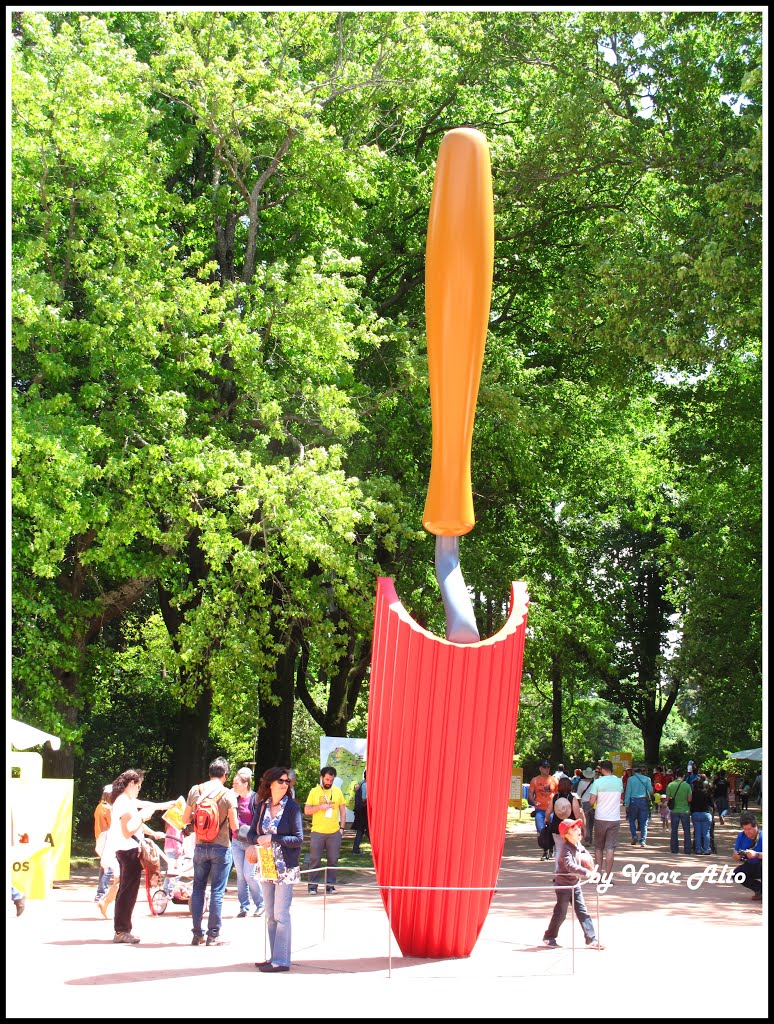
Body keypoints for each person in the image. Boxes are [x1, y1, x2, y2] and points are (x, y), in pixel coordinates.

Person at [248, 767, 304, 972]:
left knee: (281, 913)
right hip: (266, 865)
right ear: (270, 783)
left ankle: (281, 961)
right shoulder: (262, 806)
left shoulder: (292, 808)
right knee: (270, 914)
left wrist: (274, 838)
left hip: (285, 867)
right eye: (280, 780)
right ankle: (274, 956)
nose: (284, 784)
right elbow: (251, 835)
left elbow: (298, 839)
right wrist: (258, 840)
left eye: (286, 781)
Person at [183, 756, 238, 946]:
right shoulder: (227, 794)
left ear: (209, 773)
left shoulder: (195, 790)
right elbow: (235, 824)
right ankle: (213, 935)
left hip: (200, 846)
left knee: (198, 889)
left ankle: (197, 933)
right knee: (217, 891)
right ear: (225, 775)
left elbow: (184, 819)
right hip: (221, 847)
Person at [106, 769, 165, 944]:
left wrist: (165, 805)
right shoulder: (124, 802)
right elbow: (128, 830)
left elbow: (146, 804)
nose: (139, 790)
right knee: (128, 891)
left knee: (126, 890)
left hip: (125, 850)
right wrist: (142, 817)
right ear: (131, 783)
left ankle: (122, 929)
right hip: (128, 850)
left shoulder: (123, 800)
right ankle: (122, 930)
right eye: (138, 786)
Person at [542, 819, 601, 949]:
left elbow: (586, 860)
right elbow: (570, 866)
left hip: (575, 885)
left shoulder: (579, 846)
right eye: (574, 829)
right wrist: (586, 872)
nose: (579, 831)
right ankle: (549, 937)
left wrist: (592, 870)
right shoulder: (566, 849)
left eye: (578, 828)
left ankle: (591, 939)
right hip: (563, 886)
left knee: (583, 911)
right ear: (567, 835)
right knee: (560, 913)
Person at [304, 766, 346, 894]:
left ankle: (330, 885)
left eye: (331, 780)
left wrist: (342, 829)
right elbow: (306, 811)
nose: (329, 782)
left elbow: (342, 812)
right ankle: (312, 886)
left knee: (333, 860)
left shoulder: (338, 792)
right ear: (322, 777)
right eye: (327, 779)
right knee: (315, 859)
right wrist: (319, 807)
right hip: (318, 831)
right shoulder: (314, 792)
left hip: (334, 832)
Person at [230, 766, 264, 918]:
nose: (233, 786)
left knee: (249, 874)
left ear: (245, 784)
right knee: (240, 876)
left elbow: (261, 820)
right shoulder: (232, 798)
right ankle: (244, 906)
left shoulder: (256, 799)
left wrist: (257, 840)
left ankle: (261, 904)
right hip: (236, 841)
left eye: (236, 783)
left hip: (251, 842)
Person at [588, 760, 623, 880]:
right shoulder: (619, 781)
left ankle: (598, 874)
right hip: (614, 818)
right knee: (610, 848)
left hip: (600, 818)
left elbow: (592, 801)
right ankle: (608, 877)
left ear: (602, 769)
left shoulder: (597, 782)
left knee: (598, 847)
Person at [732, 812, 763, 901]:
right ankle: (760, 890)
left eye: (749, 829)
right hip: (751, 865)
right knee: (736, 874)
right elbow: (735, 853)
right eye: (745, 829)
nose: (747, 832)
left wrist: (756, 854)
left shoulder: (763, 836)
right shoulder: (741, 836)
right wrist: (737, 856)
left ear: (756, 826)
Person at [528, 760, 559, 850]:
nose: (547, 769)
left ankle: (551, 848)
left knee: (553, 830)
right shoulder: (535, 780)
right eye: (545, 768)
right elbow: (530, 793)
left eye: (548, 768)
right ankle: (545, 848)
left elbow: (557, 793)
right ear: (540, 769)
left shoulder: (554, 780)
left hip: (552, 810)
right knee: (540, 830)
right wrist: (534, 801)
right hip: (540, 810)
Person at [624, 766, 654, 848]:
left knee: (632, 820)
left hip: (633, 801)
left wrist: (627, 803)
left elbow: (628, 792)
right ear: (641, 771)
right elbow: (651, 791)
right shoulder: (647, 779)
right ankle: (643, 840)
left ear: (634, 772)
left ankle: (634, 836)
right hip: (643, 800)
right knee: (644, 821)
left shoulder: (630, 779)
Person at [94, 785, 114, 902]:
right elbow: (113, 824)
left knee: (104, 866)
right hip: (108, 839)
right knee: (109, 868)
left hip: (100, 838)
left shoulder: (99, 807)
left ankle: (100, 892)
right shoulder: (108, 809)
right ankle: (101, 893)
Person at [665, 769, 692, 855]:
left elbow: (667, 798)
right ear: (683, 776)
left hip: (674, 810)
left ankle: (674, 849)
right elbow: (689, 799)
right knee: (686, 830)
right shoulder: (687, 786)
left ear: (675, 776)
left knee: (674, 830)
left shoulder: (670, 785)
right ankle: (687, 849)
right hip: (685, 810)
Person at [690, 779, 715, 855]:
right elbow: (712, 804)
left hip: (696, 814)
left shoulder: (693, 793)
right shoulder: (706, 793)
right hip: (706, 813)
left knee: (697, 832)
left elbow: (690, 803)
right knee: (706, 832)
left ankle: (698, 849)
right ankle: (707, 849)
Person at [575, 767, 596, 846]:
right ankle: (590, 839)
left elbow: (578, 794)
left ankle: (586, 839)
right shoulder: (594, 783)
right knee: (591, 822)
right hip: (593, 803)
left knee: (585, 822)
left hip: (584, 803)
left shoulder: (581, 783)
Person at [352, 770, 369, 855]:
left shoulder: (362, 783)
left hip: (361, 811)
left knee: (363, 830)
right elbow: (363, 799)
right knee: (364, 830)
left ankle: (355, 849)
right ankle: (355, 849)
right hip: (363, 811)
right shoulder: (365, 785)